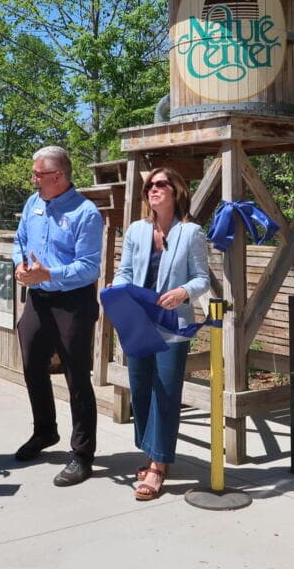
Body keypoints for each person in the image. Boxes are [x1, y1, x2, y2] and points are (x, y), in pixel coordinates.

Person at [112, 167, 210, 501]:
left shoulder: (191, 232)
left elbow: (201, 278)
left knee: (166, 391)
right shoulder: (136, 230)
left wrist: (183, 292)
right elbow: (125, 270)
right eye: (149, 186)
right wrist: (118, 287)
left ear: (176, 191)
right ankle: (152, 450)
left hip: (172, 323)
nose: (153, 190)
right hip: (138, 320)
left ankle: (157, 465)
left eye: (160, 184)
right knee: (140, 387)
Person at [11, 145, 103, 486]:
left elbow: (89, 267)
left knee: (76, 377)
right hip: (38, 299)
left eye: (38, 174)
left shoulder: (86, 213)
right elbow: (19, 241)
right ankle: (45, 430)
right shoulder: (33, 204)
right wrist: (20, 265)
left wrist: (48, 273)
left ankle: (82, 454)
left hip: (72, 302)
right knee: (32, 365)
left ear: (59, 176)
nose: (33, 179)